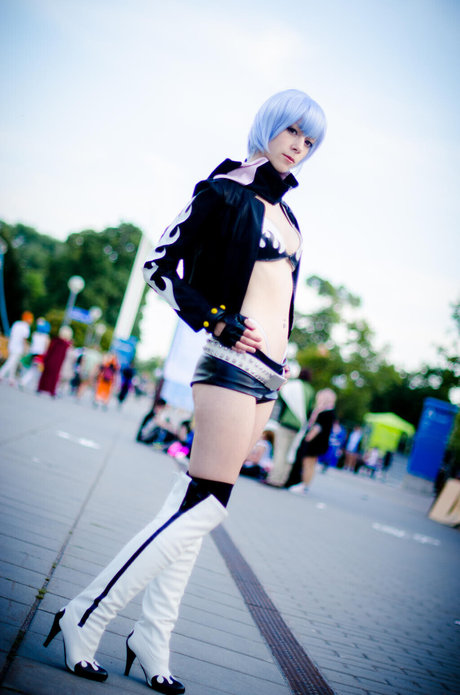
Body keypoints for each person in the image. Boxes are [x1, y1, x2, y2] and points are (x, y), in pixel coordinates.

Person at [43, 89, 327, 693]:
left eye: (309, 140)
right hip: (230, 363)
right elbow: (158, 266)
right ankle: (85, 615)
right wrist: (216, 320)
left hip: (269, 378)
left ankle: (153, 637)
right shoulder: (224, 189)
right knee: (208, 508)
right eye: (292, 131)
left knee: (194, 500)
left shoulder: (289, 214)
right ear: (269, 127)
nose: (299, 146)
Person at [266, 367, 315, 486]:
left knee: (280, 452)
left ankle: (274, 479)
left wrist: (280, 419)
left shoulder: (292, 386)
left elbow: (282, 402)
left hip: (286, 423)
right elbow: (310, 410)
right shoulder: (311, 391)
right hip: (299, 426)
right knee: (290, 453)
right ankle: (283, 479)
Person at [287, 388, 337, 494]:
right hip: (319, 443)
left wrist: (307, 438)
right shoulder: (329, 412)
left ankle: (304, 485)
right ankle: (304, 485)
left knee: (308, 464)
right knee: (310, 464)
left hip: (315, 442)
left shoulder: (325, 412)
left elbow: (317, 428)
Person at [37, 326, 73, 397]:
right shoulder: (66, 345)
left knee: (45, 374)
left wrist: (45, 360)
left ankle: (41, 388)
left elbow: (49, 351)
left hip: (50, 360)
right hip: (58, 363)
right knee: (54, 377)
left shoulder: (55, 341)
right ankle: (51, 391)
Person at [0, 311, 34, 385]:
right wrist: (25, 348)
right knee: (11, 361)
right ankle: (1, 373)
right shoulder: (26, 327)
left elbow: (11, 334)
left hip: (11, 345)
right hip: (18, 347)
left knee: (14, 362)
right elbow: (24, 339)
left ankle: (11, 378)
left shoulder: (17, 323)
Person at [19, 317, 51, 390]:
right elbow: (46, 348)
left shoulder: (35, 334)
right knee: (35, 370)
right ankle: (24, 381)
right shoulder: (46, 337)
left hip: (33, 353)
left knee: (31, 368)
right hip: (40, 355)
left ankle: (24, 381)